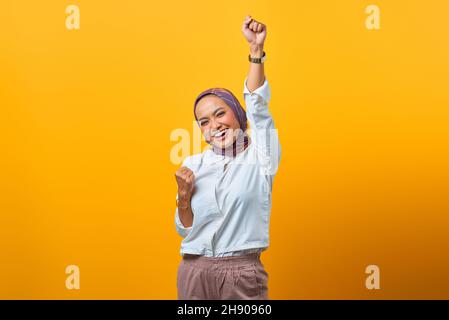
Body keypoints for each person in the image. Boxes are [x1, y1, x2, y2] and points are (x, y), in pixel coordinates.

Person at [174, 15, 281, 300]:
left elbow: (258, 105)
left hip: (241, 273)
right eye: (204, 122)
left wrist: (256, 52)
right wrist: (183, 197)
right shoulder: (193, 164)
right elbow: (186, 230)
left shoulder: (261, 157)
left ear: (237, 113)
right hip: (193, 270)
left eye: (220, 113)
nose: (215, 125)